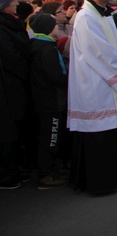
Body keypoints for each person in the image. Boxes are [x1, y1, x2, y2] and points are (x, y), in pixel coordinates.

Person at [67, 0, 117, 194]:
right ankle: (98, 182)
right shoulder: (86, 17)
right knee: (98, 134)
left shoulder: (104, 15)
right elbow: (99, 52)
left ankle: (112, 175)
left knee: (110, 132)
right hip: (95, 81)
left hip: (106, 79)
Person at [28, 13, 69, 190]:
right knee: (51, 137)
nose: (57, 27)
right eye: (54, 25)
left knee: (46, 135)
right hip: (50, 100)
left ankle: (50, 169)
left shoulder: (36, 45)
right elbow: (55, 76)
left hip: (42, 99)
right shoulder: (47, 49)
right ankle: (47, 174)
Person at [0, 0, 32, 189]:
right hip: (8, 85)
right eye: (12, 0)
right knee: (7, 130)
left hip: (17, 83)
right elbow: (10, 57)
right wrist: (27, 70)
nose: (16, 3)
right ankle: (6, 173)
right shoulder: (3, 27)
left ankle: (17, 167)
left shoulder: (12, 23)